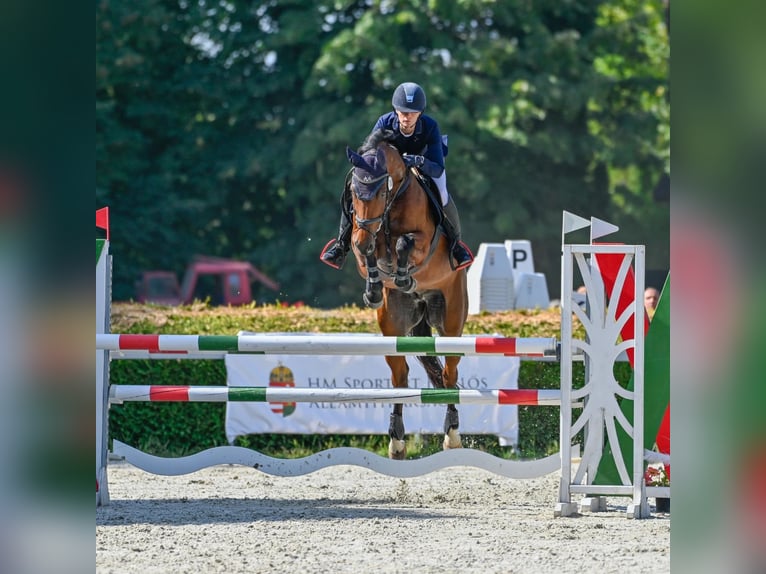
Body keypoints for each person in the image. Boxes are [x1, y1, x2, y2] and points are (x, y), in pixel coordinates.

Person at [320, 82, 474, 271]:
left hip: (423, 167)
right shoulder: (384, 122)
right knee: (355, 190)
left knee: (442, 193)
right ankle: (341, 245)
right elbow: (369, 153)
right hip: (389, 171)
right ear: (395, 110)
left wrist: (419, 161)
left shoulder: (430, 127)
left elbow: (437, 168)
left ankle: (456, 245)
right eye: (402, 111)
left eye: (412, 112)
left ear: (420, 113)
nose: (406, 117)